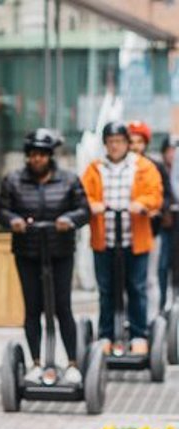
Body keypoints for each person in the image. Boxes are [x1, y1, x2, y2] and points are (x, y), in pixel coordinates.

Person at [0, 128, 91, 384]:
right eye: (32, 155)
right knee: (32, 308)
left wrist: (68, 220)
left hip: (59, 252)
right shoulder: (13, 180)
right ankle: (36, 363)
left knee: (62, 307)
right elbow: (1, 211)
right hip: (28, 252)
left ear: (50, 156)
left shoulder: (69, 180)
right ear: (27, 156)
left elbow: (84, 211)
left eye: (42, 155)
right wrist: (13, 220)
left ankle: (72, 363)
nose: (37, 159)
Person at [80, 121, 163, 355]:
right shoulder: (95, 169)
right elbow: (81, 195)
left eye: (119, 141)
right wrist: (91, 205)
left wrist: (141, 204)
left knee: (136, 288)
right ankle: (106, 335)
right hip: (104, 240)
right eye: (110, 142)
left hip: (134, 240)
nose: (115, 146)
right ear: (105, 144)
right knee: (106, 290)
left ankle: (138, 335)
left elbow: (155, 195)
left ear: (127, 143)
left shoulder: (143, 167)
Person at [127, 121, 173, 314]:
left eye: (139, 141)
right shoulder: (118, 168)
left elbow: (167, 197)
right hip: (122, 234)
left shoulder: (155, 167)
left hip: (150, 232)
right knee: (126, 281)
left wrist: (155, 208)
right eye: (132, 141)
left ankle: (152, 321)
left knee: (149, 279)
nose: (135, 146)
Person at [159, 134, 179, 312]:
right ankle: (163, 302)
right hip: (165, 225)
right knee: (162, 263)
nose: (172, 154)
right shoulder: (160, 169)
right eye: (169, 151)